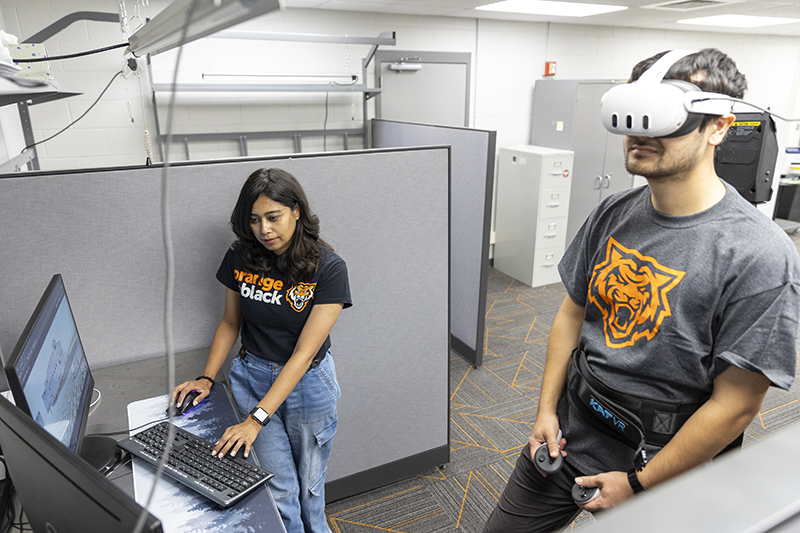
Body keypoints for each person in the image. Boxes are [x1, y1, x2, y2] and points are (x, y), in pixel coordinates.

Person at [483, 48, 800, 533]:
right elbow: (571, 314)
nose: (641, 127)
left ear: (718, 126)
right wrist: (546, 410)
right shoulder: (614, 211)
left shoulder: (759, 254)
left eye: (666, 112)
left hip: (663, 462)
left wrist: (641, 482)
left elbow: (737, 404)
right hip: (568, 433)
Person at [172, 168, 352, 533]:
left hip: (307, 385)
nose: (264, 230)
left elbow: (303, 354)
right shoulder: (241, 256)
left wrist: (255, 419)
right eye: (254, 220)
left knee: (310, 492)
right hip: (252, 377)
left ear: (296, 211)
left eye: (273, 217)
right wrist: (207, 378)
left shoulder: (329, 268)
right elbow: (229, 323)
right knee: (279, 491)